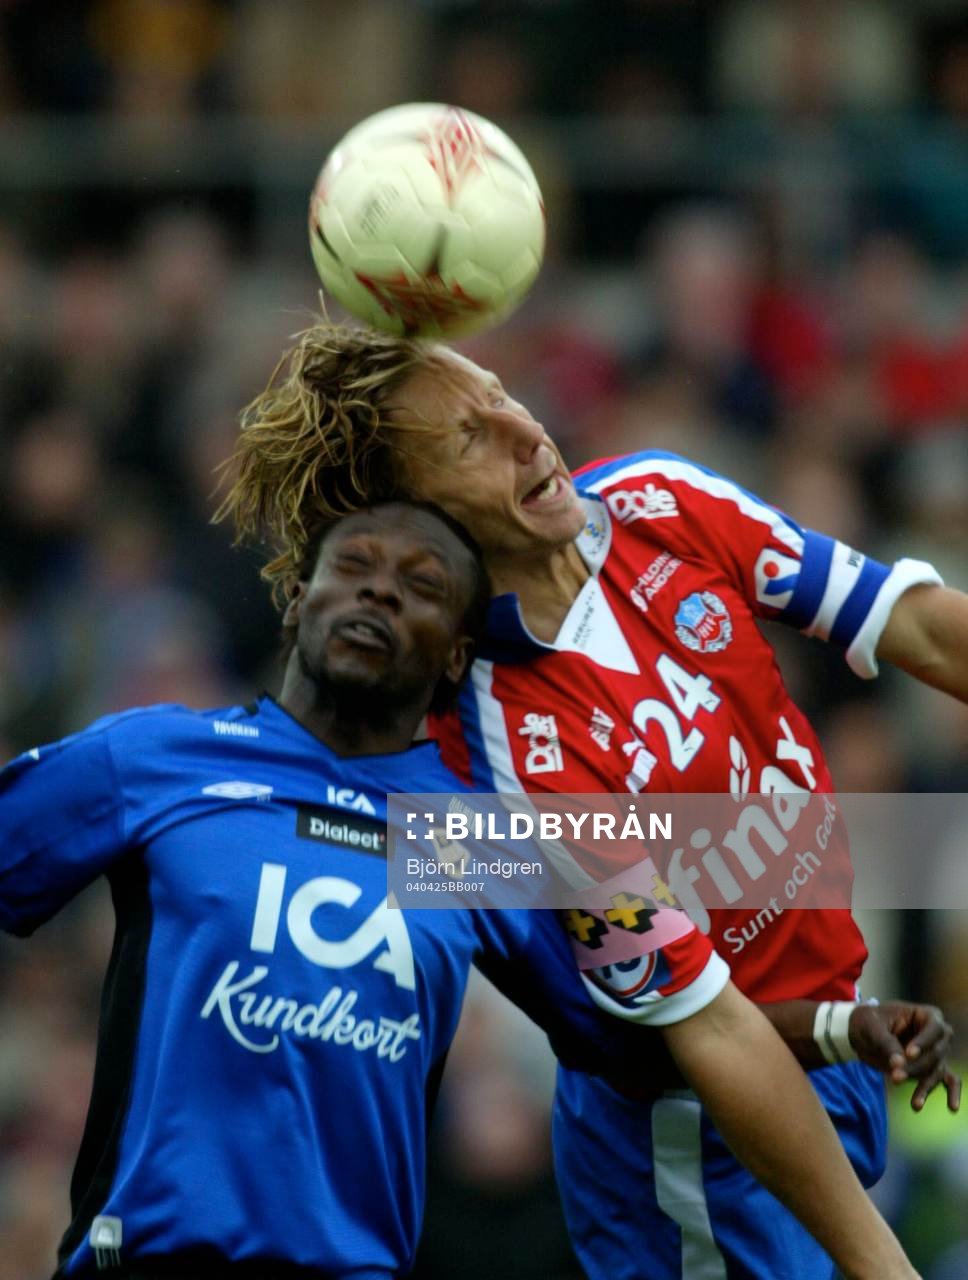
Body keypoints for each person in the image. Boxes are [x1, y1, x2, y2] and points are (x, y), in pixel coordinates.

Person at [0, 499, 924, 1280]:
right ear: (297, 597)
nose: (379, 591)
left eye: (423, 587)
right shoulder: (165, 760)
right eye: (353, 566)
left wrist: (841, 1027)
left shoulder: (467, 835)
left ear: (454, 657)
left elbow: (650, 1036)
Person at [219, 322, 965, 1280]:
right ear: (423, 518)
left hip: (831, 1033)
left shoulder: (660, 498)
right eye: (470, 440)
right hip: (704, 1148)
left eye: (500, 394)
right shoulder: (500, 744)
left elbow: (919, 628)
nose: (527, 433)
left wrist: (838, 1027)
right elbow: (706, 1029)